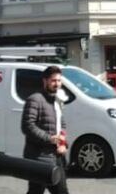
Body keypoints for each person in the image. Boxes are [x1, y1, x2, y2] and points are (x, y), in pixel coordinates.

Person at [21, 66, 70, 194]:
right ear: (45, 81)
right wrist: (50, 139)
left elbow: (62, 125)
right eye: (53, 81)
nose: (57, 84)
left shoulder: (56, 101)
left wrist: (63, 143)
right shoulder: (35, 99)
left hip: (56, 158)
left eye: (59, 81)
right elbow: (27, 126)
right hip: (39, 159)